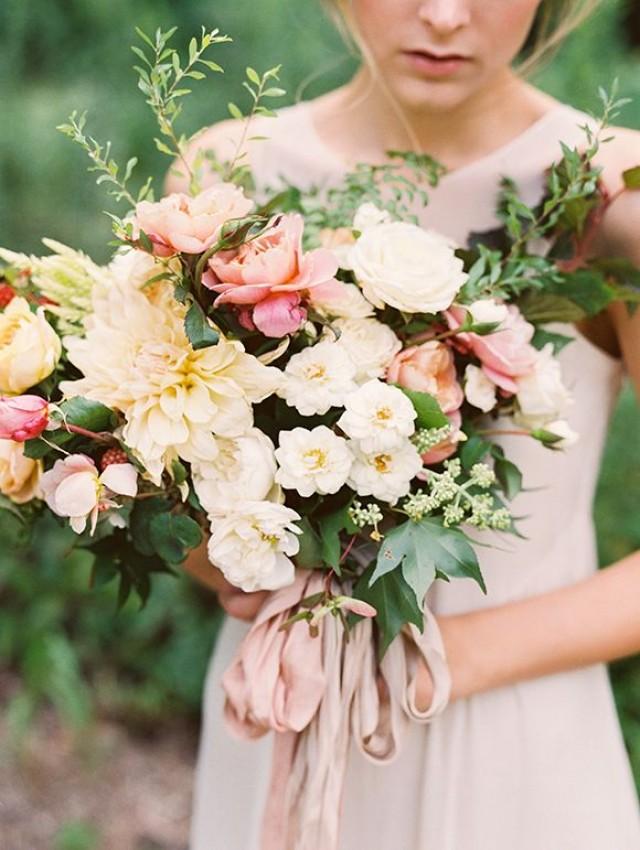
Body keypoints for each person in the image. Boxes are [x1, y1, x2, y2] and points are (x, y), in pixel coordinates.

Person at [168, 1, 640, 847]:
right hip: (286, 702)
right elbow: (174, 467)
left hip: (514, 735)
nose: (444, 15)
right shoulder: (227, 177)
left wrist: (450, 655)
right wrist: (220, 562)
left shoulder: (609, 199)